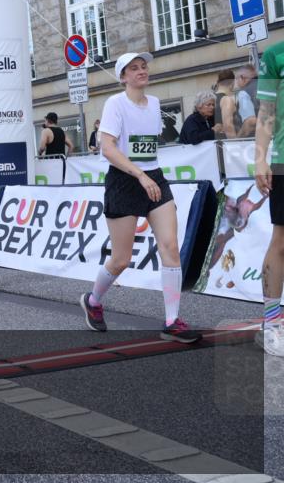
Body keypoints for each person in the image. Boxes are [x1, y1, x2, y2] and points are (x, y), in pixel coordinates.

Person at [79, 52, 201, 343]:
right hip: (124, 181)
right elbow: (107, 148)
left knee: (170, 247)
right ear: (123, 77)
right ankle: (93, 300)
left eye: (143, 66)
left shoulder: (156, 104)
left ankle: (172, 321)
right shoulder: (115, 104)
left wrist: (147, 174)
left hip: (153, 177)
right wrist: (139, 175)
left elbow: (145, 147)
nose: (141, 71)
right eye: (133, 68)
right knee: (121, 259)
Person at [254, 42, 284, 355]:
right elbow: (266, 113)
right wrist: (260, 159)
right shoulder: (276, 54)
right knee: (281, 242)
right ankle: (272, 323)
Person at [214, 69, 242, 139]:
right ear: (233, 82)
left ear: (218, 82)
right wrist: (235, 145)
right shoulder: (226, 100)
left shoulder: (210, 99)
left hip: (214, 144)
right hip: (226, 145)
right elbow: (228, 127)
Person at [235, 66, 258, 138]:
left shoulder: (243, 93)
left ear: (242, 78)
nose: (236, 82)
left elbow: (250, 121)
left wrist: (236, 140)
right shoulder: (269, 85)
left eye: (236, 79)